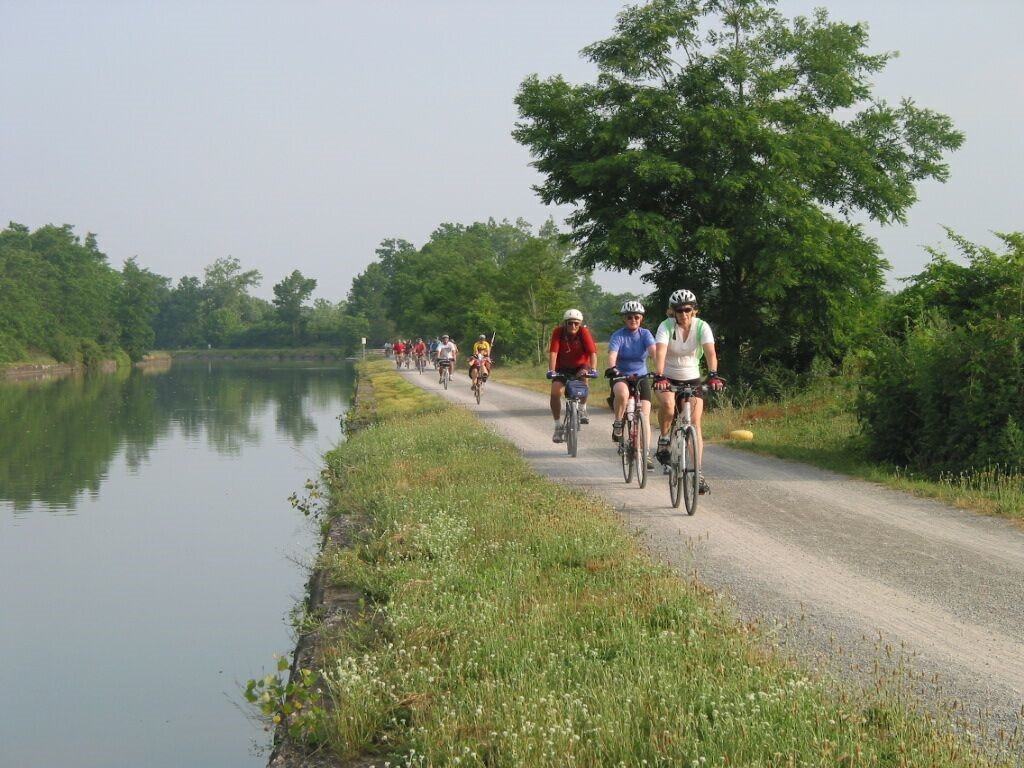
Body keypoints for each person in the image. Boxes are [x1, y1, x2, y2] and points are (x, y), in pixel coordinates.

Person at [652, 289, 725, 493]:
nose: (683, 314)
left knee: (695, 423)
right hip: (667, 376)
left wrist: (713, 374)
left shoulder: (702, 326)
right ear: (672, 312)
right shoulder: (665, 326)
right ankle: (665, 438)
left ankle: (698, 472)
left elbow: (710, 351)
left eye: (687, 310)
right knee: (667, 404)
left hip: (692, 377)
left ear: (694, 311)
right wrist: (659, 375)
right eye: (679, 310)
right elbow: (660, 351)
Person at [605, 300, 656, 465]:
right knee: (623, 393)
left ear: (641, 318)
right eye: (629, 317)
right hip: (621, 375)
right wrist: (613, 368)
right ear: (624, 319)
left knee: (645, 416)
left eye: (636, 317)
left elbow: (653, 352)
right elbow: (613, 354)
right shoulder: (618, 335)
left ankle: (645, 453)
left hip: (641, 376)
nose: (633, 319)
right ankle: (619, 422)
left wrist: (660, 369)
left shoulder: (646, 334)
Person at [547, 309, 598, 443]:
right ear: (565, 323)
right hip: (562, 368)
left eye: (576, 323)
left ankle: (582, 408)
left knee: (584, 379)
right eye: (570, 323)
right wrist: (551, 370)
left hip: (580, 366)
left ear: (580, 324)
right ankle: (558, 426)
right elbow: (553, 353)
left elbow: (592, 353)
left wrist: (593, 369)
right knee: (555, 392)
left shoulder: (584, 332)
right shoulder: (558, 332)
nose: (573, 326)